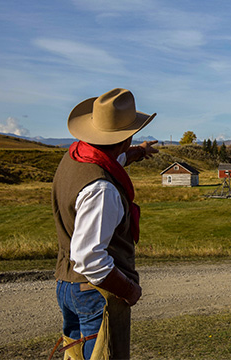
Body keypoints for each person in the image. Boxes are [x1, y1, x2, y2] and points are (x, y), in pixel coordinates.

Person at [51, 88, 157, 360]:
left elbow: (109, 159)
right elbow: (90, 259)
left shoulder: (76, 154)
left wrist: (136, 153)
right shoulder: (102, 189)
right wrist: (129, 290)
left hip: (69, 283)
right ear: (126, 136)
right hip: (95, 292)